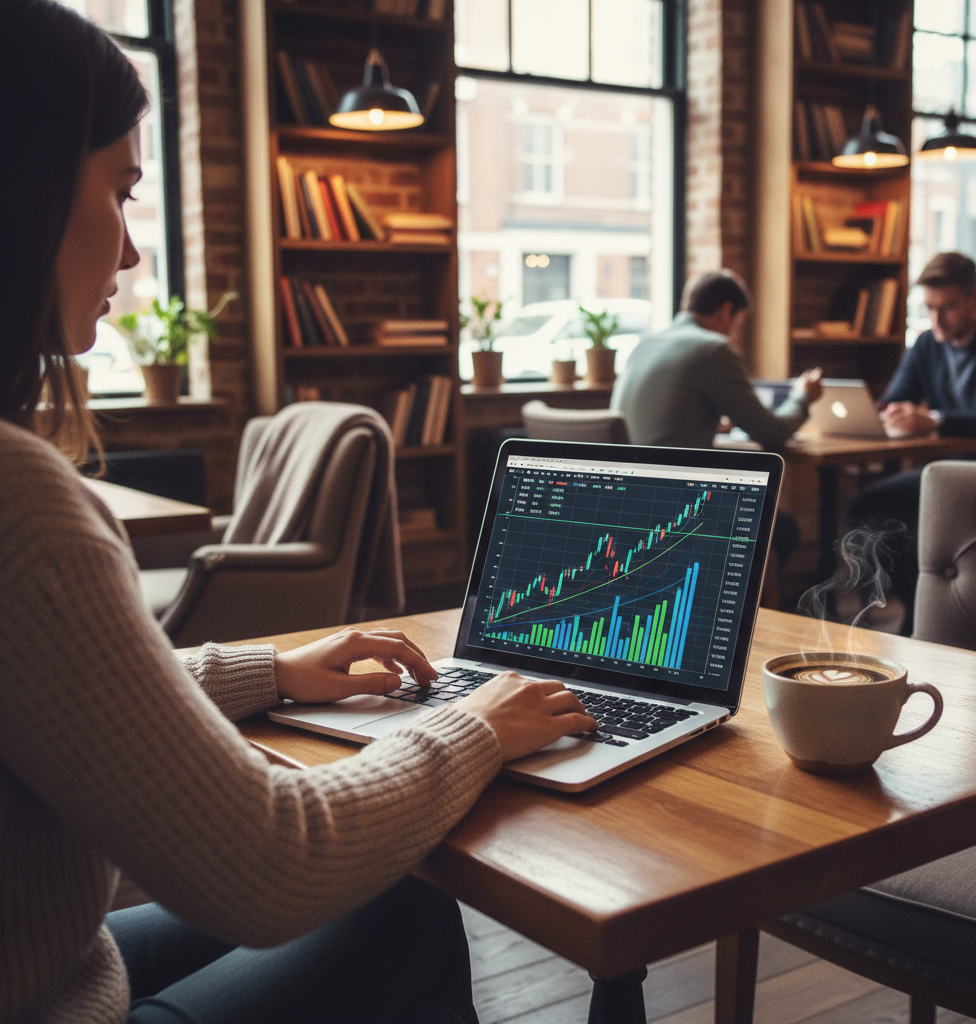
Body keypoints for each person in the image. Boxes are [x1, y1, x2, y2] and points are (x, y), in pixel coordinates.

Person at [0, 4, 597, 1023]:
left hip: (44, 964)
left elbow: (66, 692)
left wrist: (270, 667)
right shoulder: (23, 508)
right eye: (121, 192)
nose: (133, 252)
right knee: (405, 908)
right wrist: (473, 728)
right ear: (27, 191)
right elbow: (270, 865)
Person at [846, 251, 976, 633]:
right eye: (929, 308)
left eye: (948, 307)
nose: (937, 319)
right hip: (943, 474)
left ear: (974, 298)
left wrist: (937, 421)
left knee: (896, 511)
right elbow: (892, 400)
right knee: (866, 509)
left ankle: (924, 620)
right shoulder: (928, 343)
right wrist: (891, 413)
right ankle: (917, 609)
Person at [611, 269, 823, 567]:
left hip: (627, 502)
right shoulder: (713, 349)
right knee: (784, 529)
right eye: (738, 324)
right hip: (677, 505)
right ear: (726, 311)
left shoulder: (644, 345)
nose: (734, 334)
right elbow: (771, 432)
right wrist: (802, 396)